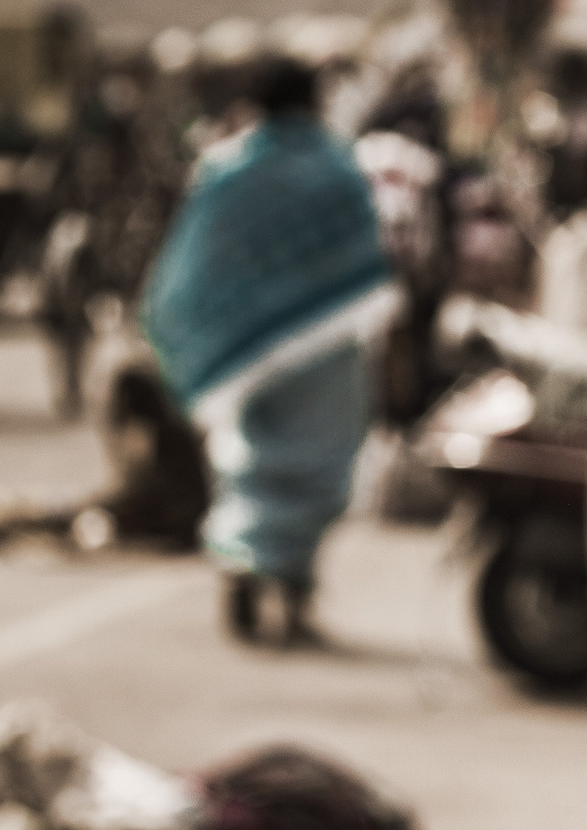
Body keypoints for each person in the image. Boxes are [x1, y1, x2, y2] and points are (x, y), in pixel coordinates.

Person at [142, 55, 397, 645]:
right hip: (328, 346)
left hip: (247, 353)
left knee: (252, 460)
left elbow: (195, 265)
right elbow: (363, 250)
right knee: (318, 466)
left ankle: (248, 567)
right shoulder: (336, 167)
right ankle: (293, 592)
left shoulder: (227, 169)